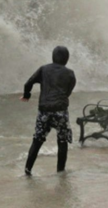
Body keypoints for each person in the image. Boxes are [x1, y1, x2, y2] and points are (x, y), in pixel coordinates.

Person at [20, 46, 77, 176]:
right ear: (67, 59)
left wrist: (26, 95)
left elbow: (28, 83)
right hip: (61, 111)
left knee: (37, 140)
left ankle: (28, 170)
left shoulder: (44, 69)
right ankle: (60, 171)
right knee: (62, 141)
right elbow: (69, 90)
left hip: (44, 111)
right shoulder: (70, 73)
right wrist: (61, 99)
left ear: (53, 57)